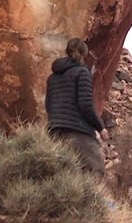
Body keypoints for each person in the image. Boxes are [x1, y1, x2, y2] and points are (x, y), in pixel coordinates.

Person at [44, 37, 108, 176]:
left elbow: (48, 105)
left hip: (55, 131)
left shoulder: (53, 77)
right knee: (95, 171)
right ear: (84, 54)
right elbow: (85, 105)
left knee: (61, 175)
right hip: (78, 132)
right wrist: (100, 127)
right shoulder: (82, 73)